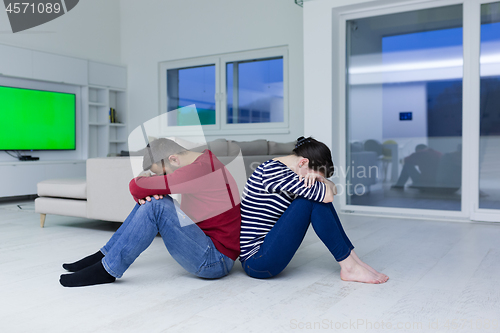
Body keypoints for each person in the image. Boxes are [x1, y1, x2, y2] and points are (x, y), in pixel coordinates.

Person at [60, 138, 241, 287]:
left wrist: (145, 183)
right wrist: (150, 190)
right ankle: (105, 255)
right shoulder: (204, 161)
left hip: (215, 260)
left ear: (173, 159)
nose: (162, 178)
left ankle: (108, 269)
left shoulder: (201, 170)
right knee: (156, 199)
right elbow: (143, 190)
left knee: (157, 204)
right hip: (206, 244)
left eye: (162, 174)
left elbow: (136, 186)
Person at [239, 136, 388, 284]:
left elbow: (333, 189)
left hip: (266, 251)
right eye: (312, 174)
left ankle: (354, 261)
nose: (310, 178)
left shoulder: (286, 169)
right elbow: (329, 195)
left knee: (316, 197)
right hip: (257, 262)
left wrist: (321, 179)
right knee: (311, 200)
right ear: (303, 162)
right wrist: (321, 183)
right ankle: (349, 267)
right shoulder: (275, 172)